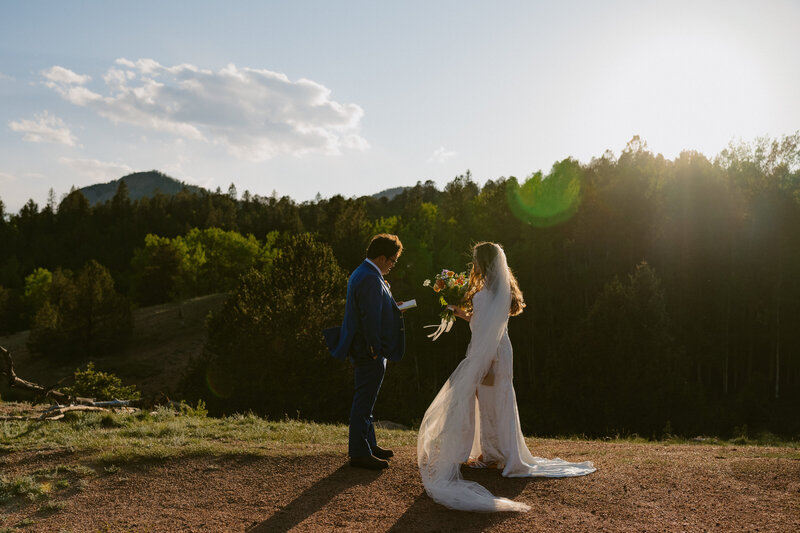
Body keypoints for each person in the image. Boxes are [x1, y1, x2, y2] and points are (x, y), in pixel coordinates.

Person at [417, 242, 595, 512]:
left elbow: (487, 330)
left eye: (475, 260)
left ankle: (495, 454)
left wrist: (486, 363)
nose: (473, 264)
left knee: (491, 403)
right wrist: (461, 313)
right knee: (491, 402)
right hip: (494, 351)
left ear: (484, 262)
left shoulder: (487, 294)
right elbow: (483, 324)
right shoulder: (497, 291)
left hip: (490, 354)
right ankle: (492, 453)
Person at [324, 234, 406, 470]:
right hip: (368, 349)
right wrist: (374, 349)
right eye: (392, 260)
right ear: (381, 258)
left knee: (368, 399)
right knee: (364, 400)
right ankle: (359, 452)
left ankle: (369, 444)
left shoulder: (364, 272)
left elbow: (374, 309)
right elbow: (369, 318)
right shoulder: (370, 277)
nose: (392, 265)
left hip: (365, 347)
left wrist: (393, 308)